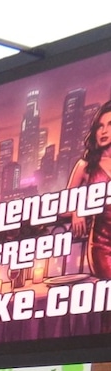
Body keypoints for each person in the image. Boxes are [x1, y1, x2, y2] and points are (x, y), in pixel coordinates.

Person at [68, 103, 111, 279]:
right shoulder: (85, 165)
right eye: (100, 126)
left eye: (110, 125)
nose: (104, 131)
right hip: (102, 245)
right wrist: (76, 212)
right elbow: (64, 202)